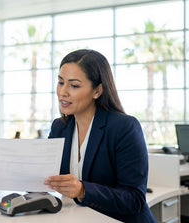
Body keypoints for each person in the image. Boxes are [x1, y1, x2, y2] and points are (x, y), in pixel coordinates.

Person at [44, 49, 155, 222]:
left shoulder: (125, 127)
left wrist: (83, 190)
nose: (63, 92)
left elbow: (134, 199)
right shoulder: (60, 127)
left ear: (97, 90)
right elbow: (48, 179)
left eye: (74, 85)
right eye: (60, 82)